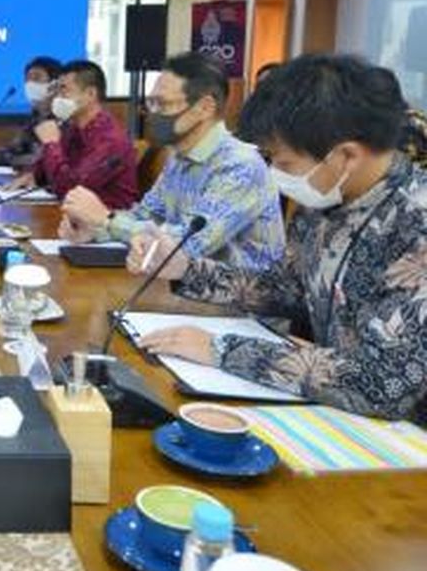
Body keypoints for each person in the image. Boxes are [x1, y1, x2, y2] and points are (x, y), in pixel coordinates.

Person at [128, 55, 427, 422]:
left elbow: (383, 382)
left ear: (346, 155)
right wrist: (184, 269)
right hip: (329, 408)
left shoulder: (416, 223)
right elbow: (285, 287)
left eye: (284, 164)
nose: (274, 175)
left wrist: (223, 350)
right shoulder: (329, 198)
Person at [60, 52, 284, 270]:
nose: (152, 113)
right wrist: (94, 230)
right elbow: (147, 216)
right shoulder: (180, 156)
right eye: (151, 103)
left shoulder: (239, 165)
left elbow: (189, 243)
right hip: (186, 290)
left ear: (205, 107)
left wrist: (106, 220)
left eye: (162, 104)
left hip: (239, 300)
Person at [8, 59, 138, 208]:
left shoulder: (111, 139)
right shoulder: (72, 128)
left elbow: (70, 189)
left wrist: (51, 144)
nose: (57, 97)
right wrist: (33, 176)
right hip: (73, 215)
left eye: (64, 90)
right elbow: (49, 171)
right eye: (57, 90)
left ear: (90, 94)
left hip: (106, 222)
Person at [0, 56, 62, 166]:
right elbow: (15, 149)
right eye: (27, 80)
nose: (30, 84)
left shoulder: (62, 118)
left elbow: (40, 160)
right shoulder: (36, 116)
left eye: (37, 78)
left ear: (55, 84)